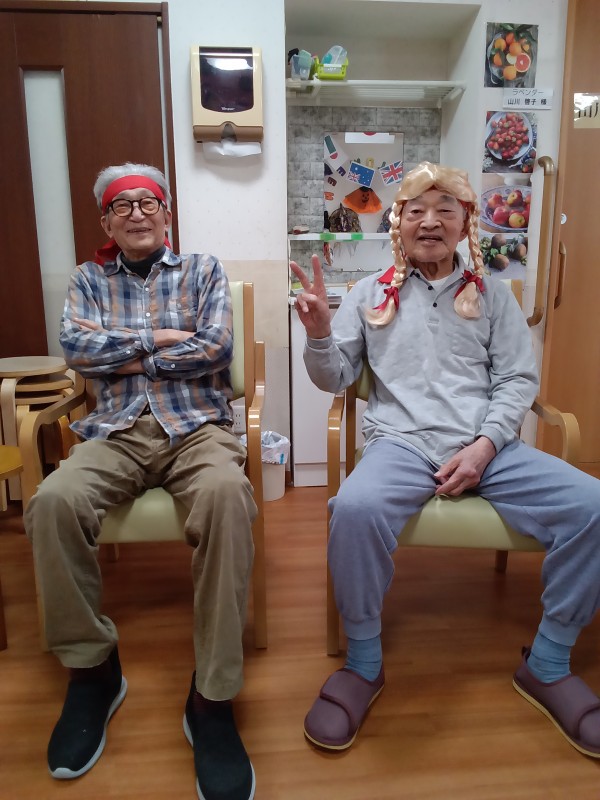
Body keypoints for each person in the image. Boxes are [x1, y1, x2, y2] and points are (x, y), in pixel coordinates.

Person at [291, 162, 600, 758]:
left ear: (465, 225)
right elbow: (335, 379)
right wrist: (321, 334)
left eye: (445, 211)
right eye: (416, 211)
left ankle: (549, 662)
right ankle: (363, 663)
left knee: (593, 505)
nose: (429, 222)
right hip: (400, 442)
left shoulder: (493, 295)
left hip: (489, 445)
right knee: (353, 508)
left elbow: (516, 380)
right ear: (398, 223)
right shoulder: (366, 294)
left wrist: (485, 445)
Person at [25, 163, 256, 800]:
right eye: (121, 205)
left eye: (147, 202)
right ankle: (93, 670)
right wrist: (161, 339)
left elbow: (216, 349)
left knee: (228, 497)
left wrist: (123, 350)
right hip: (115, 430)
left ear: (166, 214)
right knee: (52, 502)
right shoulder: (88, 279)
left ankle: (212, 695)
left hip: (198, 427)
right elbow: (76, 349)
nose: (135, 213)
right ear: (106, 221)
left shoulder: (203, 271)